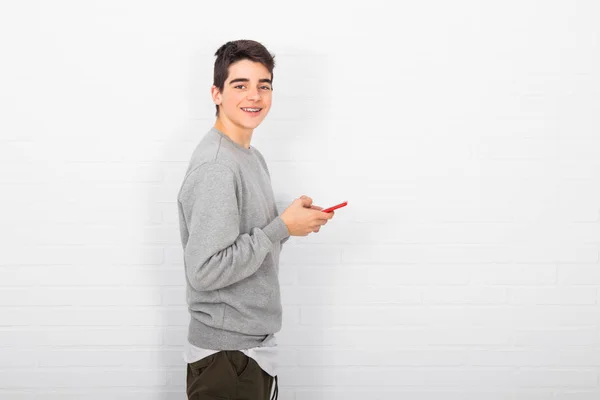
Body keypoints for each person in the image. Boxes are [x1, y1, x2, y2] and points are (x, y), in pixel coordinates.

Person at [177, 39, 335, 400]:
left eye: (264, 85)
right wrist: (281, 227)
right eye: (240, 85)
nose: (255, 96)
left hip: (246, 354)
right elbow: (204, 271)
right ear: (216, 93)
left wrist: (290, 222)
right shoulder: (218, 166)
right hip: (228, 359)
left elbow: (249, 236)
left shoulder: (249, 156)